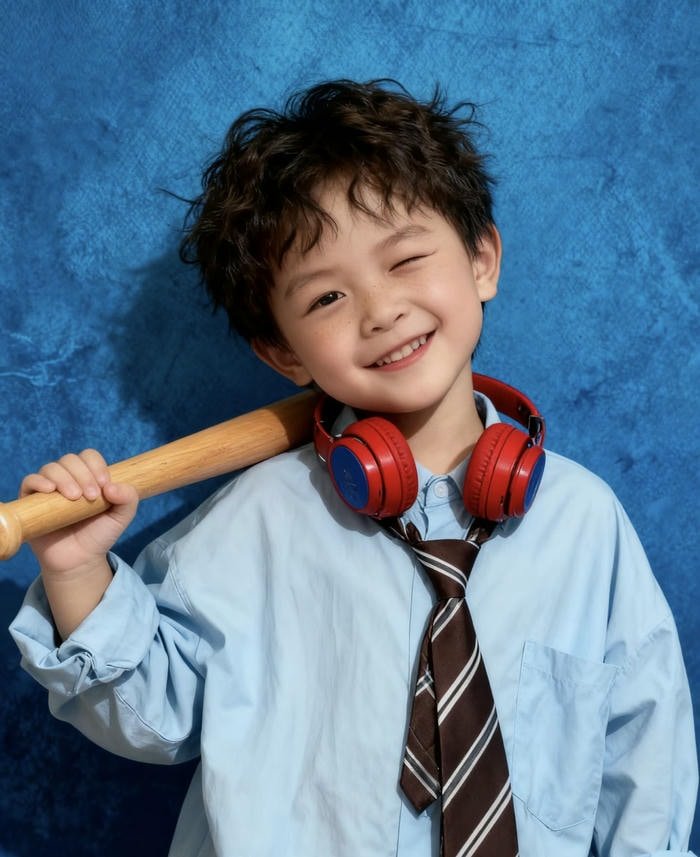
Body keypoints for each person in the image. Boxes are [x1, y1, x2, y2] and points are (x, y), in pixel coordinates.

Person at [9, 79, 697, 856]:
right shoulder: (258, 521)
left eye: (406, 259)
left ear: (482, 259)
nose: (381, 310)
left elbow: (647, 752)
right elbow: (154, 714)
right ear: (282, 352)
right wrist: (76, 573)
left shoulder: (585, 521)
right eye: (328, 296)